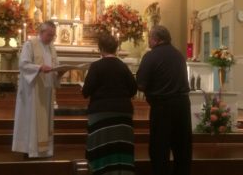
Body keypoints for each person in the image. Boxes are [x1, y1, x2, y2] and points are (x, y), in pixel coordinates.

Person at [136, 25, 192, 175]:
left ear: (155, 39)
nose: (148, 40)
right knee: (182, 148)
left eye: (149, 37)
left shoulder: (151, 56)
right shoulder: (179, 55)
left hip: (163, 107)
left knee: (159, 149)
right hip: (183, 105)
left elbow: (141, 84)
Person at [82, 33, 137, 175]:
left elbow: (86, 91)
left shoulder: (96, 66)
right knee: (120, 148)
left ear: (100, 49)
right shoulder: (123, 66)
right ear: (116, 48)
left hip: (101, 114)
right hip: (123, 114)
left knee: (101, 148)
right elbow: (133, 89)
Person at [12, 20, 60, 158]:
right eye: (49, 35)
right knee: (33, 120)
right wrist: (39, 68)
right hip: (33, 91)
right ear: (41, 32)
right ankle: (31, 149)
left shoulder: (51, 47)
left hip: (47, 90)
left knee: (45, 121)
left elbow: (55, 64)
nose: (51, 38)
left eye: (53, 35)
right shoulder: (30, 44)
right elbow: (23, 64)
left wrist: (59, 72)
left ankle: (44, 150)